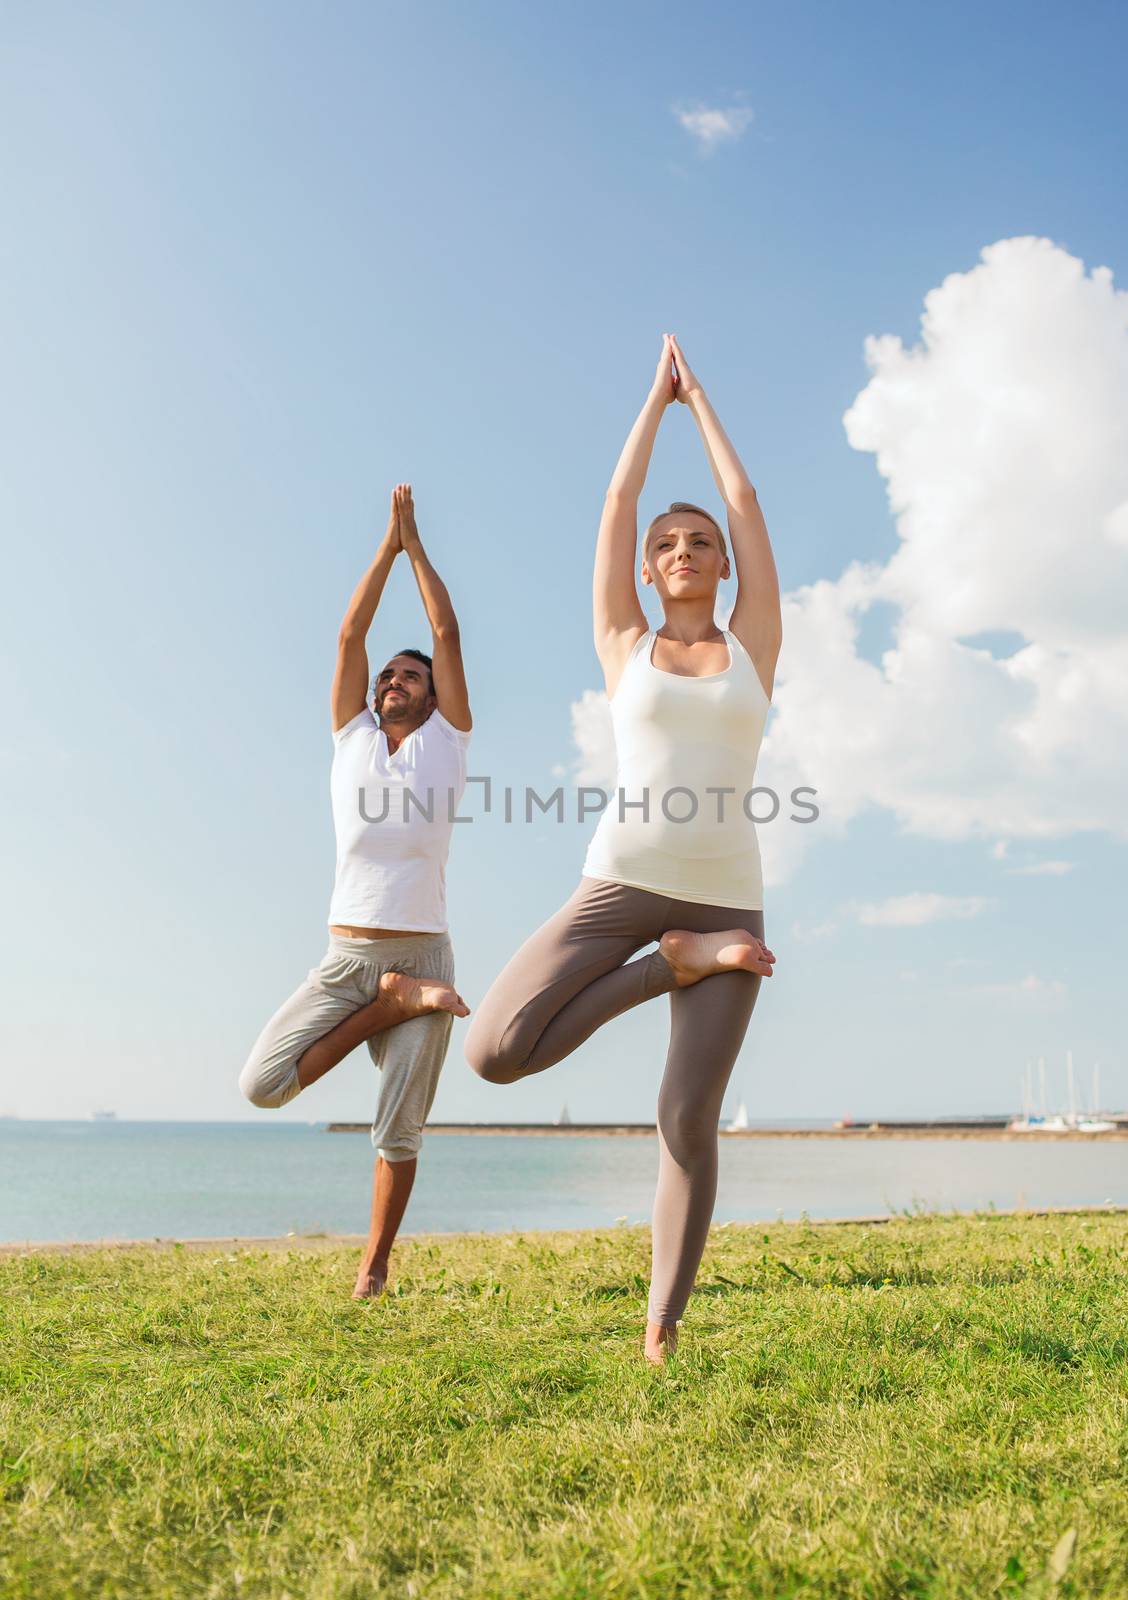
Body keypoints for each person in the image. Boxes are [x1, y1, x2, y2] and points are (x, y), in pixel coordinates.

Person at [465, 335, 781, 1363]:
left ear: (719, 564)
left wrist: (708, 408)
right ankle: (668, 970)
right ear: (647, 570)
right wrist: (655, 404)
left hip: (728, 898)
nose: (684, 550)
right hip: (619, 887)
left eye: (698, 542)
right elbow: (614, 504)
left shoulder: (751, 646)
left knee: (685, 1116)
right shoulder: (622, 642)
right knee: (497, 1049)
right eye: (666, 545)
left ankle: (658, 1332)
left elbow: (747, 507)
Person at [239, 484, 472, 1300]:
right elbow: (349, 633)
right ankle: (393, 1004)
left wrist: (417, 550)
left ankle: (373, 1268)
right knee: (262, 1085)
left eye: (410, 676)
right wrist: (384, 547)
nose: (393, 682)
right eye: (386, 677)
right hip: (349, 962)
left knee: (397, 1129)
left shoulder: (448, 741)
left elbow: (443, 631)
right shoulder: (351, 741)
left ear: (437, 694)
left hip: (421, 951)